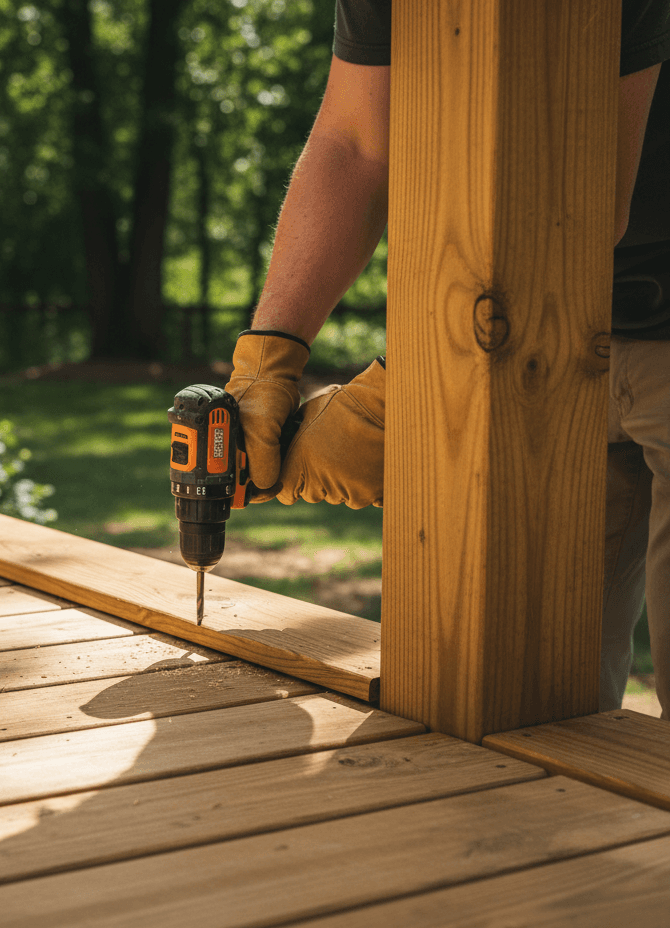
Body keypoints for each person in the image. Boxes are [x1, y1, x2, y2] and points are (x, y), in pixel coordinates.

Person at [226, 1, 670, 718]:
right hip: (549, 348)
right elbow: (355, 142)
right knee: (522, 706)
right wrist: (268, 356)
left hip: (568, 313)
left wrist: (428, 387)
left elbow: (588, 194)